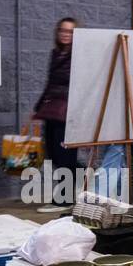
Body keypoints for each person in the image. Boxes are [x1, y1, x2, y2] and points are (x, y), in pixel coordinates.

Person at [32, 17, 77, 174]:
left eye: (70, 31)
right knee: (52, 153)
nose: (66, 34)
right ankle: (81, 176)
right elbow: (50, 83)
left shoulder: (78, 54)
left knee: (65, 154)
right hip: (51, 110)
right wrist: (37, 108)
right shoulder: (55, 54)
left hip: (69, 111)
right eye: (63, 30)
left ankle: (64, 197)